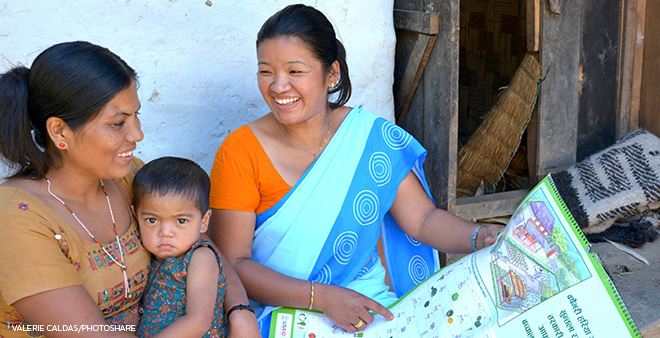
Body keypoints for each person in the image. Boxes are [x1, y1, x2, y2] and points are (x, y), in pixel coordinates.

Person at [207, 4, 504, 336]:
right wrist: (322, 298)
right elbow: (234, 264)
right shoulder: (240, 151)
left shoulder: (367, 138)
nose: (278, 86)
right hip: (282, 317)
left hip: (370, 306)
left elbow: (421, 219)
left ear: (331, 74)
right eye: (266, 71)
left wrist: (480, 237)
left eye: (295, 71)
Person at [0, 41, 258, 338]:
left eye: (136, 115)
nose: (137, 134)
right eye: (118, 122)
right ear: (60, 131)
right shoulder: (17, 218)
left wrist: (240, 313)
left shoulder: (130, 176)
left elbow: (200, 245)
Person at [133, 156, 255, 338]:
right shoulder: (151, 256)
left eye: (181, 221)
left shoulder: (200, 257)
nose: (165, 232)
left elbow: (198, 321)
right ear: (135, 216)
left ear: (204, 222)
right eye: (152, 220)